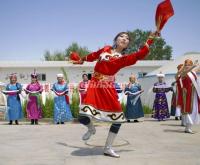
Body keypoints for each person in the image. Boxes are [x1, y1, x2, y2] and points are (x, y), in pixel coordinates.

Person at [71, 31, 158, 157]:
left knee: (118, 119)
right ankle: (91, 129)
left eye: (127, 38)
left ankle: (108, 147)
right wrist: (81, 60)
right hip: (95, 85)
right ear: (116, 39)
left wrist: (151, 38)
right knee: (83, 116)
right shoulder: (105, 49)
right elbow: (93, 55)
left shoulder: (124, 59)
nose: (124, 39)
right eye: (121, 36)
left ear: (128, 44)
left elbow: (141, 54)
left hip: (108, 87)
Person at [178, 59, 200, 133]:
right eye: (186, 65)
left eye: (189, 65)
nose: (188, 66)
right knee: (188, 110)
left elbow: (198, 68)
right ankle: (188, 127)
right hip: (187, 94)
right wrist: (193, 66)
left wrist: (196, 65)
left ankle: (187, 128)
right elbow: (186, 72)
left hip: (193, 94)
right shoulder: (183, 73)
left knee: (193, 110)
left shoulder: (193, 73)